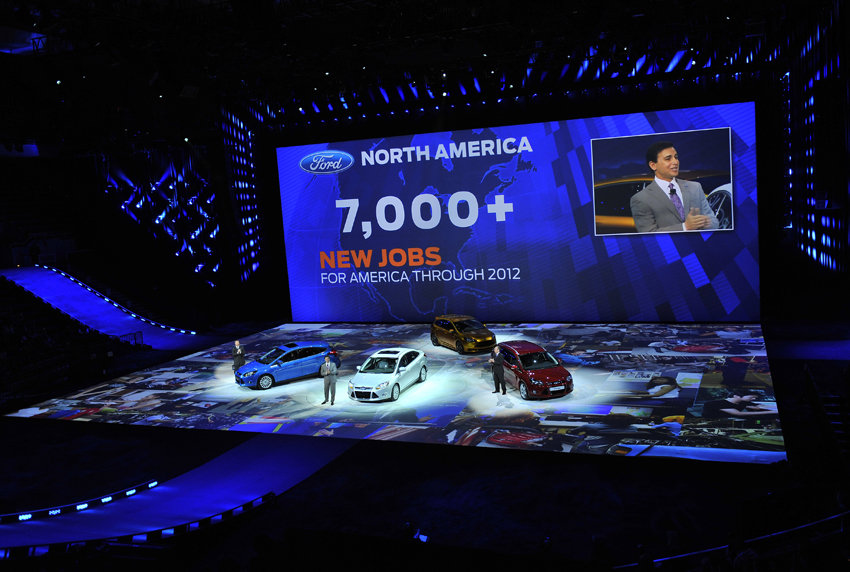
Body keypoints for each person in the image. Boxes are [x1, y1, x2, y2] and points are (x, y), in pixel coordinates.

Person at [629, 141, 721, 233]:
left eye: (676, 157)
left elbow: (714, 222)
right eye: (668, 159)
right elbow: (649, 234)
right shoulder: (641, 199)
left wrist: (704, 223)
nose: (675, 162)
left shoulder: (695, 188)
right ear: (653, 165)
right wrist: (685, 227)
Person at [701, 390, 777, 419]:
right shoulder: (716, 404)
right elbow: (739, 414)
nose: (753, 399)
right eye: (752, 397)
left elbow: (758, 406)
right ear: (736, 396)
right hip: (716, 422)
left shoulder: (743, 402)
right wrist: (772, 412)